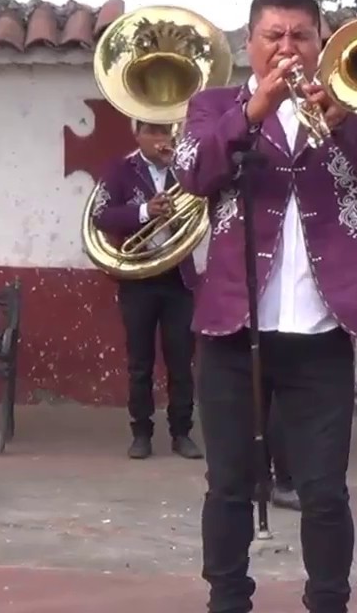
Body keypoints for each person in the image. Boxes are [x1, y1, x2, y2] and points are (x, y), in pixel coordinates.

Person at [173, 0, 357, 613]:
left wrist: (348, 124)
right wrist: (254, 113)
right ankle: (228, 599)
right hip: (233, 324)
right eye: (273, 36)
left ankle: (328, 601)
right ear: (249, 42)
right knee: (227, 484)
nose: (288, 48)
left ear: (322, 42)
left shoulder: (354, 105)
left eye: (301, 36)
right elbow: (193, 171)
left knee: (324, 490)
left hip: (321, 330)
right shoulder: (213, 107)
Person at [90, 121, 203, 460]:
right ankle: (141, 433)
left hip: (178, 278)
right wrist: (144, 211)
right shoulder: (120, 169)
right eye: (152, 132)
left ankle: (181, 433)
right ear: (137, 134)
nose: (160, 139)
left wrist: (180, 205)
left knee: (181, 361)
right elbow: (101, 216)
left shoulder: (187, 170)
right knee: (140, 362)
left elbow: (210, 206)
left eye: (165, 132)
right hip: (137, 279)